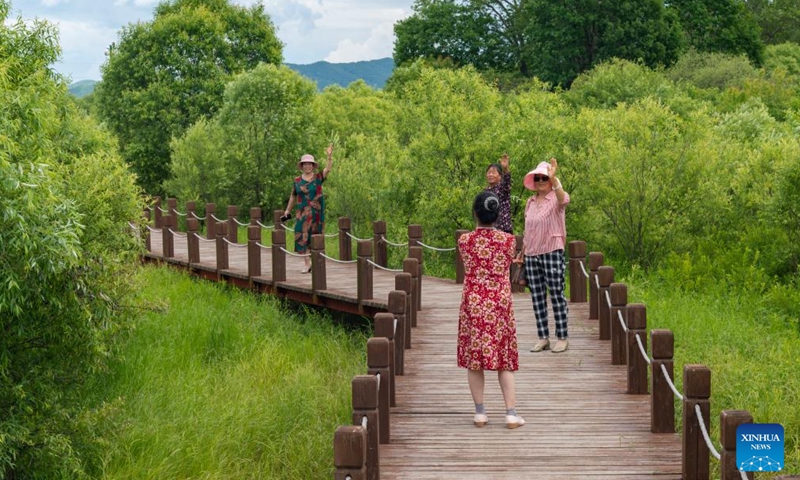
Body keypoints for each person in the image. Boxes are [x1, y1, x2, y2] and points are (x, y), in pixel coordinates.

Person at [457, 190, 524, 429]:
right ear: (497, 215)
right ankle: (511, 413)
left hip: (474, 303)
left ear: (475, 213)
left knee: (475, 360)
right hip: (499, 303)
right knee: (504, 360)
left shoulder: (464, 240)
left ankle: (480, 413)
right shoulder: (509, 241)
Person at [520, 158, 570, 353]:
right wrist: (522, 253)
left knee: (557, 294)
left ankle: (562, 337)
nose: (541, 181)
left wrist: (555, 178)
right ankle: (543, 337)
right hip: (532, 253)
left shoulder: (555, 199)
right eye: (538, 178)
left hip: (551, 250)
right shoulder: (530, 202)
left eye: (544, 177)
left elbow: (564, 199)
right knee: (537, 296)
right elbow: (528, 229)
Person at [283, 144, 333, 273]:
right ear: (302, 166)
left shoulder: (318, 178)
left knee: (315, 236)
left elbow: (328, 169)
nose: (307, 166)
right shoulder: (297, 180)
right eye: (305, 164)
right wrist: (287, 210)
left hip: (316, 213)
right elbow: (293, 196)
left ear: (313, 165)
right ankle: (307, 263)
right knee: (301, 235)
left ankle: (316, 262)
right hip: (302, 213)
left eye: (310, 164)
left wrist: (329, 156)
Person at [485, 153, 513, 234]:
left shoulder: (502, 188)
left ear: (500, 176)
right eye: (489, 172)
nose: (490, 175)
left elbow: (507, 182)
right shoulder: (485, 192)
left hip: (503, 228)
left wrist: (505, 169)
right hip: (489, 229)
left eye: (493, 172)